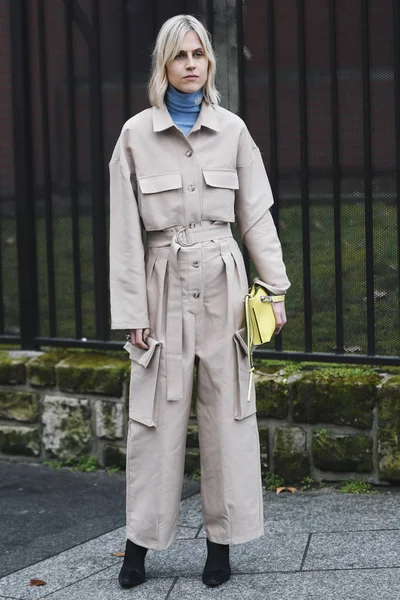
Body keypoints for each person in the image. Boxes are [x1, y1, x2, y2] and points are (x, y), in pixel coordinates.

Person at [109, 14, 290, 589]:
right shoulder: (136, 135)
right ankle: (139, 545)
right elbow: (123, 232)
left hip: (223, 284)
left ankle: (222, 544)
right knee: (154, 418)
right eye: (179, 55)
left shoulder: (234, 131)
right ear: (162, 65)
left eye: (199, 55)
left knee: (227, 412)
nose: (191, 64)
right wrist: (131, 312)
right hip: (161, 281)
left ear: (210, 63)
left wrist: (276, 288)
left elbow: (255, 214)